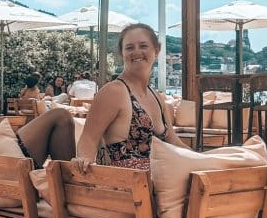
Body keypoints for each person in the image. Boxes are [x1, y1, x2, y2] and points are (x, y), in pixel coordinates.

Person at [73, 24, 186, 172]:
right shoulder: (114, 91)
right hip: (126, 185)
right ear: (122, 54)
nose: (137, 51)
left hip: (160, 181)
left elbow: (173, 141)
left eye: (143, 46)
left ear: (156, 51)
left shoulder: (157, 97)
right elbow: (88, 138)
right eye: (130, 47)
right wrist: (84, 160)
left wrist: (207, 160)